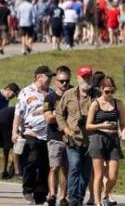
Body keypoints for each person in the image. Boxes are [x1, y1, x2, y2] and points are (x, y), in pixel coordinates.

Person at [13, 65, 54, 205]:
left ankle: (41, 195)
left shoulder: (52, 93)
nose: (50, 79)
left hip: (49, 134)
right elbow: (18, 113)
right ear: (38, 77)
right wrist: (14, 132)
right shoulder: (26, 92)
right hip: (31, 132)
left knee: (46, 165)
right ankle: (28, 189)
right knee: (32, 159)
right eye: (47, 76)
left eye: (51, 76)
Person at [55, 66, 96, 206]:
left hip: (91, 140)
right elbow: (59, 113)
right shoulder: (69, 94)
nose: (86, 79)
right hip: (73, 139)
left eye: (88, 77)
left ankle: (79, 197)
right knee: (74, 166)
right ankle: (73, 198)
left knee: (86, 171)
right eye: (84, 77)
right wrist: (65, 128)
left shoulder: (97, 94)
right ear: (78, 78)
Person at [86, 76, 125, 206]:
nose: (109, 94)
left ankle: (105, 194)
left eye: (112, 91)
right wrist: (102, 126)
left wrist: (123, 132)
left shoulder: (118, 103)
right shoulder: (95, 104)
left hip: (113, 140)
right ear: (101, 89)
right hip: (97, 140)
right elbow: (88, 126)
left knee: (113, 176)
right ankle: (97, 202)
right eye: (107, 91)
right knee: (98, 175)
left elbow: (123, 123)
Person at [43, 65, 72, 206]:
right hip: (54, 137)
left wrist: (56, 114)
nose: (64, 83)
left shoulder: (74, 94)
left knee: (66, 169)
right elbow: (48, 118)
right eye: (61, 81)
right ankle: (52, 194)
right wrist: (62, 114)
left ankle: (63, 197)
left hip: (70, 138)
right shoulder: (49, 97)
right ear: (56, 81)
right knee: (54, 167)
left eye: (67, 81)